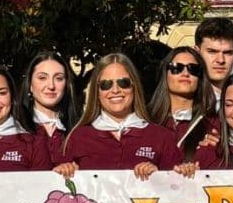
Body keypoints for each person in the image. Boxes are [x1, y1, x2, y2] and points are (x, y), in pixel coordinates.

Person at [54, 53, 185, 179]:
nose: (115, 90)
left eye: (123, 83)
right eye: (106, 85)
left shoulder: (161, 137)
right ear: (97, 91)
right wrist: (62, 172)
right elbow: (56, 189)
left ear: (134, 86)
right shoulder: (78, 137)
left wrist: (160, 177)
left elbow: (178, 191)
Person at [148, 46, 218, 149]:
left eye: (193, 69)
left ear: (200, 78)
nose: (185, 74)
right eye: (177, 68)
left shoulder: (213, 124)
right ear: (165, 74)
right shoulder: (144, 118)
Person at [16, 49, 80, 147]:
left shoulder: (80, 130)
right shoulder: (14, 128)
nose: (51, 86)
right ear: (30, 84)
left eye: (59, 78)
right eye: (42, 78)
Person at [195, 17, 233, 102]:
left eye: (227, 53)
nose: (221, 60)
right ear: (197, 52)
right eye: (212, 52)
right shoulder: (185, 98)